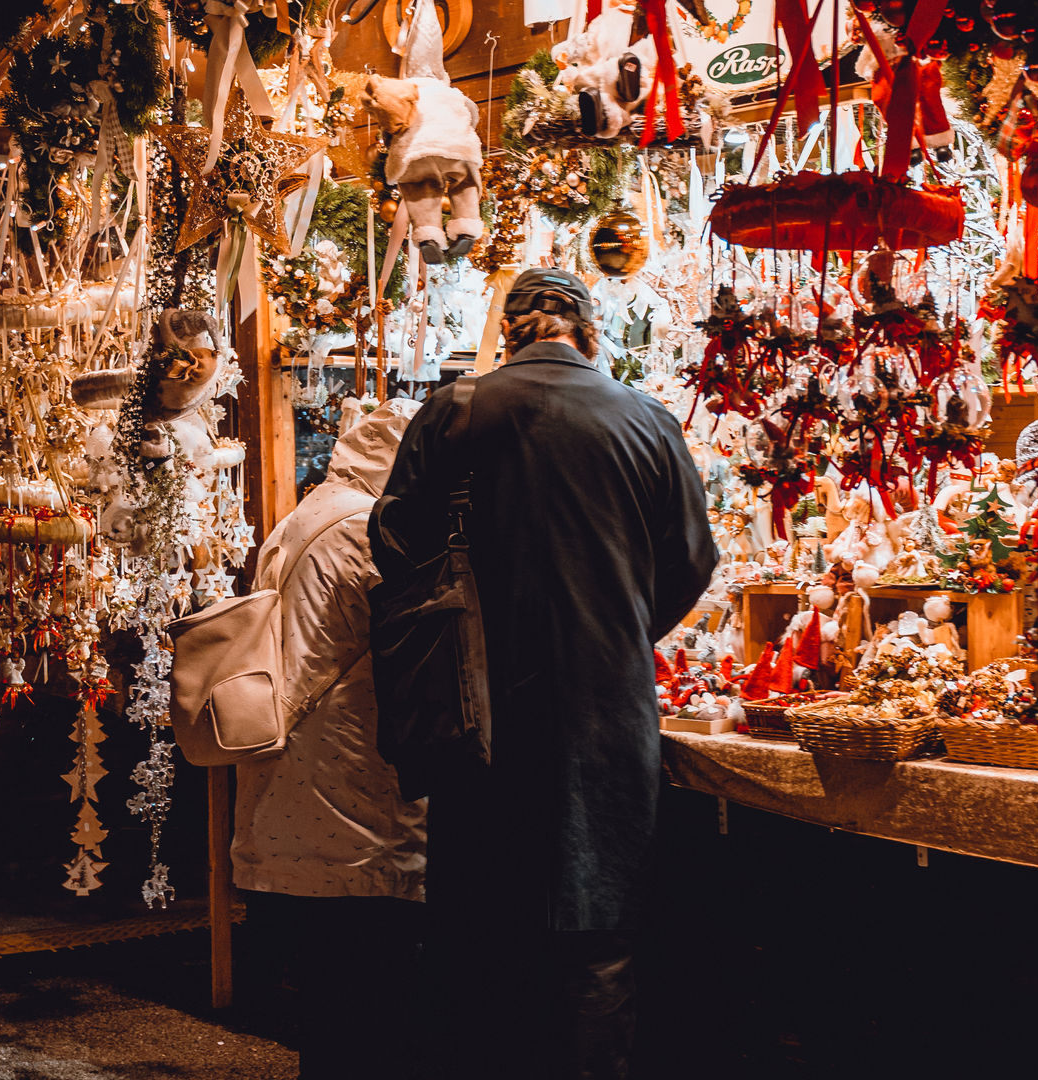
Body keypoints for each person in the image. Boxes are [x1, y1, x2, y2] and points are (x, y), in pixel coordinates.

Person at [374, 267, 718, 1078]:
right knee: (597, 931)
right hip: (609, 710)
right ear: (588, 333)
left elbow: (394, 544)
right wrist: (622, 628)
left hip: (479, 704)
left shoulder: (456, 410)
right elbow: (693, 562)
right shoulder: (647, 421)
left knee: (481, 923)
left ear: (513, 330)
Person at [234, 400, 429, 1080]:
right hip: (349, 794)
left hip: (290, 781)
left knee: (327, 997)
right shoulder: (366, 531)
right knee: (366, 995)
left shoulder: (308, 515)